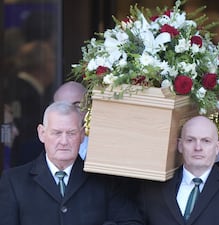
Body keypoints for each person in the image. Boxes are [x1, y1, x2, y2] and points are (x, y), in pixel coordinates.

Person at [0, 101, 144, 225]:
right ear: (42, 133)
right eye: (57, 133)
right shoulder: (13, 181)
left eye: (71, 133)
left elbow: (132, 221)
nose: (64, 141)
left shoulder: (104, 179)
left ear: (82, 135)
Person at [138, 116, 219, 225]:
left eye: (206, 141)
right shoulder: (155, 187)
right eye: (190, 140)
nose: (198, 147)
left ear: (217, 147)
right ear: (180, 145)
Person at [10, 41, 56, 167]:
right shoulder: (25, 92)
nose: (55, 65)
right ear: (40, 64)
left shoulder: (28, 89)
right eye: (51, 60)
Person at [53, 81, 88, 160]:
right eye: (63, 107)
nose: (70, 112)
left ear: (89, 107)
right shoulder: (33, 151)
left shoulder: (103, 146)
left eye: (77, 106)